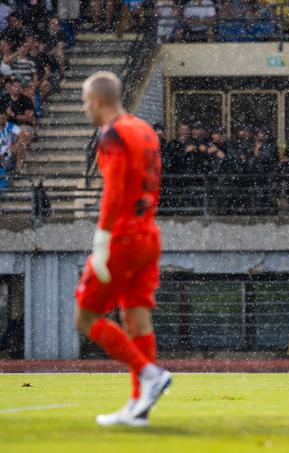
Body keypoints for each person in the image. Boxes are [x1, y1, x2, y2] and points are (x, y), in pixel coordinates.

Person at [74, 71, 171, 426]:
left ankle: (150, 375)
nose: (85, 107)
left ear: (98, 101)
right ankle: (138, 407)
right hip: (148, 231)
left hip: (124, 235)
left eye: (86, 100)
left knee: (85, 317)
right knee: (135, 315)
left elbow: (113, 191)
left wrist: (101, 240)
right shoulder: (143, 129)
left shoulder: (112, 133)